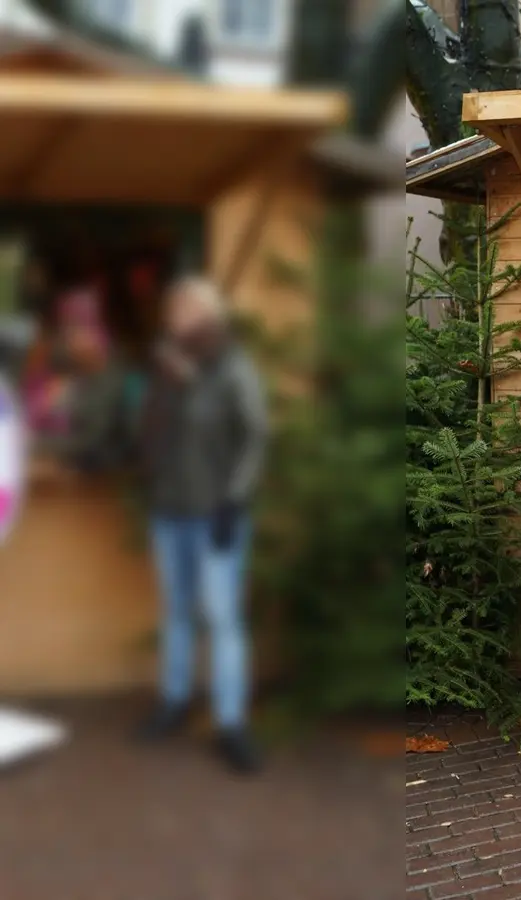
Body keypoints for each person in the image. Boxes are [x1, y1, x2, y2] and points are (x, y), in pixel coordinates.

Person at [133, 276, 268, 775]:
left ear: (208, 316)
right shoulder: (165, 369)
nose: (177, 317)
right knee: (176, 612)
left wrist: (234, 501)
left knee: (222, 617)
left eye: (185, 309)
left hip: (216, 515)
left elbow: (254, 436)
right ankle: (173, 702)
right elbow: (147, 431)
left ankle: (231, 724)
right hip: (169, 511)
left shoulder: (232, 366)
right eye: (174, 310)